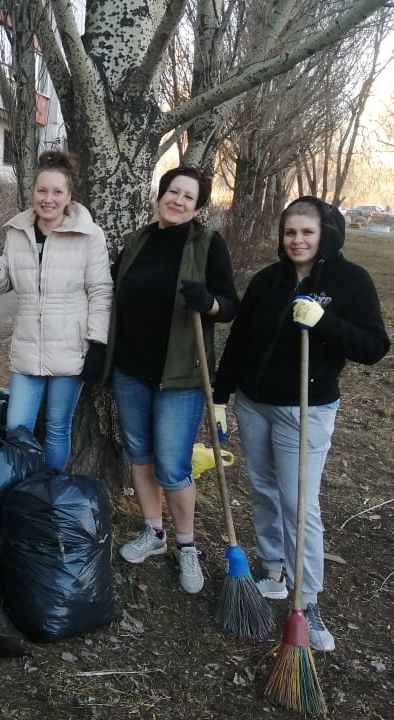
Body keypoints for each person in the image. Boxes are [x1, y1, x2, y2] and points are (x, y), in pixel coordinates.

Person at [212, 195, 390, 651]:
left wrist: (325, 321)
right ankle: (272, 569)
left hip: (305, 411)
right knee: (265, 489)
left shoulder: (351, 281)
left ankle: (307, 598)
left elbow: (373, 347)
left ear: (325, 234)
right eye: (290, 232)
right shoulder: (268, 281)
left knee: (299, 504)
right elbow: (240, 341)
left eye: (307, 232)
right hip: (254, 404)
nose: (297, 240)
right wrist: (220, 395)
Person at [106, 166, 239, 594]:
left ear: (198, 207)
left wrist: (211, 303)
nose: (178, 201)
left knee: (173, 466)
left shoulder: (207, 243)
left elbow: (232, 305)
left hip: (179, 375)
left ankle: (187, 545)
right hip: (131, 369)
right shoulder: (136, 242)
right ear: (161, 194)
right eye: (173, 192)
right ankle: (154, 533)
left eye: (188, 197)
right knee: (139, 455)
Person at [0, 150, 112, 471]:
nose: (48, 199)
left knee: (57, 428)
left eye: (56, 192)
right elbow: (6, 283)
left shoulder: (89, 235)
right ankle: (22, 492)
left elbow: (101, 290)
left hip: (70, 348)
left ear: (68, 195)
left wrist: (98, 343)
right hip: (27, 348)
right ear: (32, 191)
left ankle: (49, 494)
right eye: (42, 191)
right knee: (16, 427)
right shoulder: (17, 230)